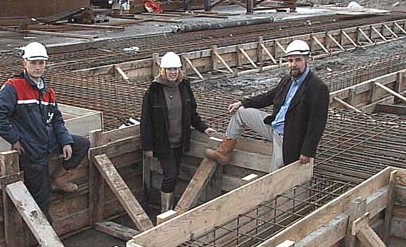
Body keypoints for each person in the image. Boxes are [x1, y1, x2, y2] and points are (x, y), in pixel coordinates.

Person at [0, 42, 90, 221]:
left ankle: (59, 177)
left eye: (41, 63)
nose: (37, 67)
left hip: (48, 141)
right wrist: (15, 139)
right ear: (24, 63)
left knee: (81, 144)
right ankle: (45, 245)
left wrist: (65, 141)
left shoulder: (47, 91)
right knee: (42, 199)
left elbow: (56, 119)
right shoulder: (14, 87)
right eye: (33, 62)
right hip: (31, 150)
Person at [205, 39, 329, 171]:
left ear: (307, 60)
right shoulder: (287, 80)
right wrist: (243, 102)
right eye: (290, 60)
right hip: (273, 126)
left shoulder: (317, 87)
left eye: (298, 60)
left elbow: (317, 124)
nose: (293, 64)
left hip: (289, 138)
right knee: (241, 112)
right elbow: (269, 96)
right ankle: (224, 152)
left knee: (275, 176)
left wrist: (307, 152)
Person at [141, 51, 215, 211]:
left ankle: (169, 208)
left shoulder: (184, 87)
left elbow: (192, 114)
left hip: (180, 142)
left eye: (175, 69)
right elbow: (146, 121)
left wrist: (204, 127)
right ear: (163, 71)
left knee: (173, 177)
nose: (173, 72)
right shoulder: (154, 91)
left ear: (179, 70)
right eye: (169, 69)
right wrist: (147, 146)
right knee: (170, 176)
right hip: (162, 143)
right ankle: (165, 212)